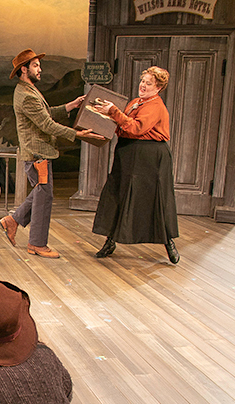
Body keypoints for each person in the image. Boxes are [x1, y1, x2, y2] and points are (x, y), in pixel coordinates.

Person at [0, 48, 102, 259]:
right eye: (36, 66)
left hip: (39, 153)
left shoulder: (29, 91)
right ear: (24, 69)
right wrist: (77, 134)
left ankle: (13, 220)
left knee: (41, 193)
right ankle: (37, 244)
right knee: (43, 198)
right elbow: (47, 124)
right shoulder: (26, 95)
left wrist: (70, 106)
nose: (40, 69)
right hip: (37, 155)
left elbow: (44, 114)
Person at [91, 66, 180, 264]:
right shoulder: (135, 102)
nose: (143, 86)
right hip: (128, 153)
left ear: (158, 87)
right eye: (143, 81)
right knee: (119, 194)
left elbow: (137, 127)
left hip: (149, 156)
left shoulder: (155, 106)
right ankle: (110, 241)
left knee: (156, 199)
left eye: (149, 83)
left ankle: (169, 243)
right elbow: (123, 125)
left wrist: (113, 111)